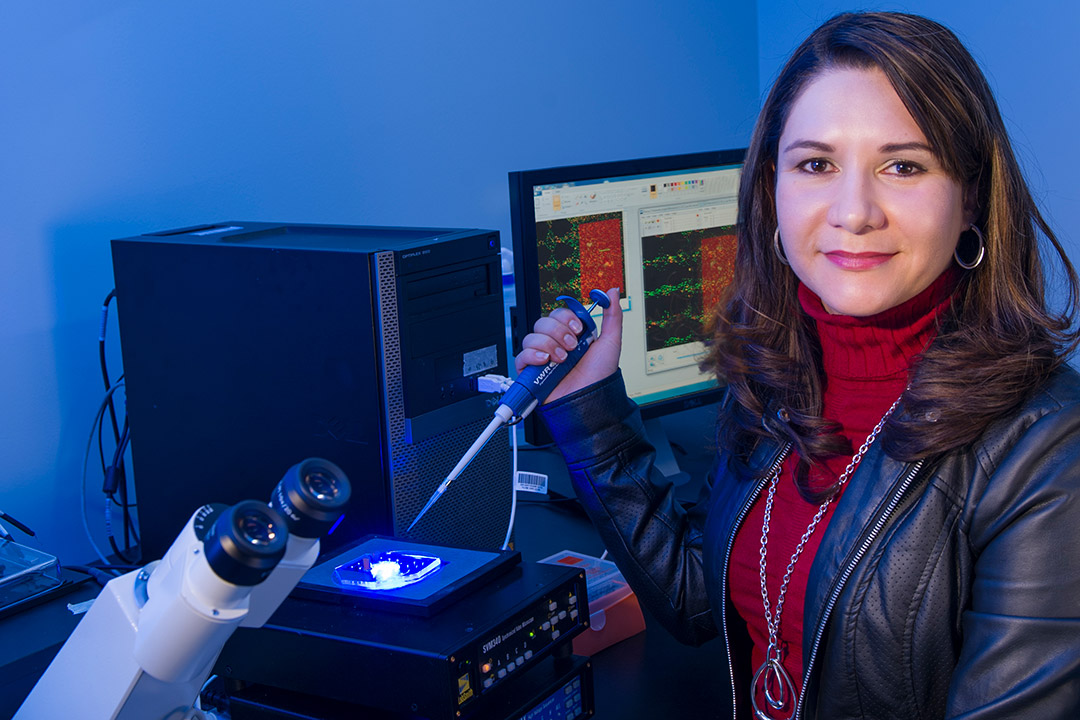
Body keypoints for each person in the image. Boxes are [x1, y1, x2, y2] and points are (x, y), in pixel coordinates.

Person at [515, 11, 1080, 720]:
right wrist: (590, 404)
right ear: (771, 192)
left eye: (903, 166)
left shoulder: (1048, 447)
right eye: (817, 165)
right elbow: (704, 598)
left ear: (970, 197)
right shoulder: (775, 377)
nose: (854, 211)